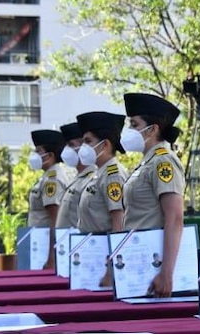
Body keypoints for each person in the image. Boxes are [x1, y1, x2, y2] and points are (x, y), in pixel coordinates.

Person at [121, 92, 186, 297]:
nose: (129, 130)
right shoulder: (147, 162)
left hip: (153, 263)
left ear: (153, 129)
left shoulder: (163, 161)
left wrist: (166, 273)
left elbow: (175, 218)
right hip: (137, 258)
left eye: (134, 124)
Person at [75, 111, 128, 287]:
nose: (83, 147)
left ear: (105, 144)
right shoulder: (99, 173)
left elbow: (119, 221)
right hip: (91, 255)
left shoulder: (113, 175)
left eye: (88, 141)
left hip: (102, 256)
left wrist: (111, 268)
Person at [27, 129, 70, 270]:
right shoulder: (47, 176)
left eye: (38, 151)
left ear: (50, 155)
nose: (34, 155)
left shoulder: (53, 180)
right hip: (38, 245)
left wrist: (51, 257)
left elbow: (55, 219)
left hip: (44, 247)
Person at [55, 122, 96, 230]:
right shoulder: (76, 178)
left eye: (71, 145)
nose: (66, 150)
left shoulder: (92, 178)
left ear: (83, 147)